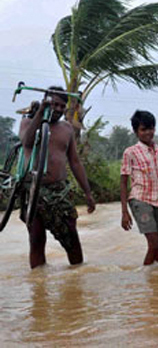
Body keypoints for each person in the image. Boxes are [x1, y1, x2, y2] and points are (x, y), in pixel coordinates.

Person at [18, 86, 96, 269]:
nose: (58, 110)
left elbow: (75, 162)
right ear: (45, 102)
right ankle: (39, 287)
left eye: (62, 106)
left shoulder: (66, 128)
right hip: (34, 190)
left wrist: (88, 193)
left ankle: (77, 283)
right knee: (36, 239)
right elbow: (27, 141)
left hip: (60, 191)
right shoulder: (28, 123)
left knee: (72, 239)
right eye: (54, 104)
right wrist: (39, 116)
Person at [120, 110, 158, 265]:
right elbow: (123, 181)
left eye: (151, 128)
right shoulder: (130, 152)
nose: (148, 133)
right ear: (136, 131)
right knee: (154, 245)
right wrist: (124, 212)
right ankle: (146, 277)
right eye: (144, 129)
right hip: (140, 199)